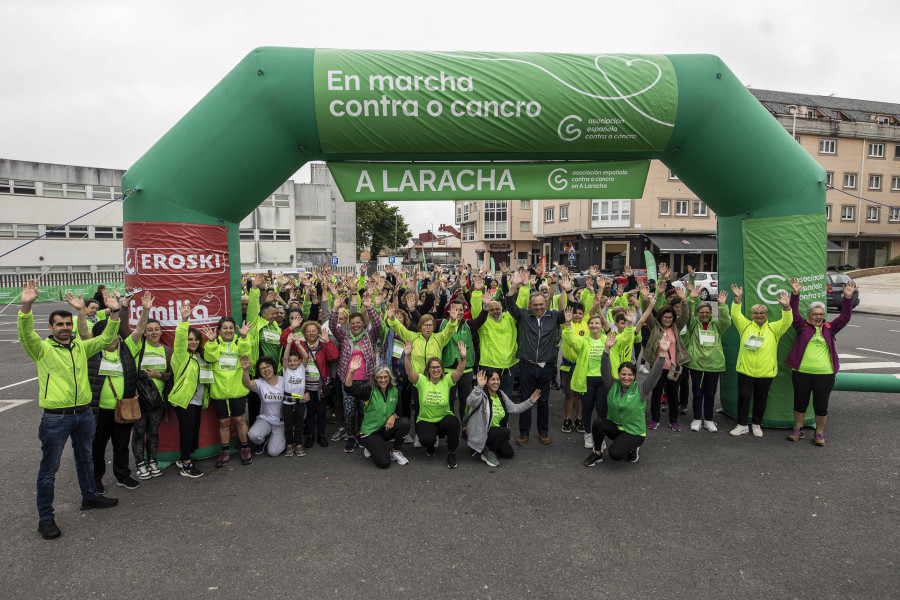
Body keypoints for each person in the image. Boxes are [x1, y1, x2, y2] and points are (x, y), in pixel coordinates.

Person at [19, 281, 120, 540]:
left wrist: (114, 312)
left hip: (84, 414)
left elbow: (108, 338)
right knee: (49, 469)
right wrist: (26, 306)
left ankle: (89, 497)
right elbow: (26, 335)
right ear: (50, 328)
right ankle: (46, 518)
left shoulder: (81, 347)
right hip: (56, 418)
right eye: (59, 325)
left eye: (67, 324)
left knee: (85, 459)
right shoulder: (41, 349)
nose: (64, 328)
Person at [87, 291, 152, 493]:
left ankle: (123, 475)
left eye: (114, 333)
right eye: (107, 334)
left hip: (122, 407)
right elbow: (82, 332)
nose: (113, 337)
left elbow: (140, 330)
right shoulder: (91, 351)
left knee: (121, 444)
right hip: (98, 410)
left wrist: (146, 310)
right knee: (97, 447)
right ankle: (95, 479)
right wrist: (81, 311)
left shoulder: (127, 349)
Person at [785, 277, 856, 446]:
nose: (818, 317)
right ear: (809, 315)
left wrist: (847, 298)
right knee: (800, 402)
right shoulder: (802, 326)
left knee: (821, 404)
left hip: (825, 374)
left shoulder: (830, 328)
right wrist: (795, 294)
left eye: (821, 314)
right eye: (815, 314)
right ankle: (798, 429)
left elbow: (845, 317)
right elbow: (793, 313)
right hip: (801, 372)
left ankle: (819, 433)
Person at [583, 332, 671, 466]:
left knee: (615, 454)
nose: (626, 377)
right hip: (617, 429)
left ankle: (633, 448)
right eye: (623, 374)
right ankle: (597, 453)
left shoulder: (641, 388)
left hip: (634, 432)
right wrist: (606, 350)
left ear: (634, 376)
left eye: (630, 375)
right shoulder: (612, 384)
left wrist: (663, 353)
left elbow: (655, 374)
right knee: (598, 422)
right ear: (618, 374)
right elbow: (604, 369)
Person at [505, 269, 571, 446]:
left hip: (546, 366)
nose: (539, 307)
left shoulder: (554, 316)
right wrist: (514, 286)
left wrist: (567, 291)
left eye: (541, 304)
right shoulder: (524, 316)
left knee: (543, 401)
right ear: (530, 305)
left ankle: (543, 432)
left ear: (545, 304)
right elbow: (510, 304)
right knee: (526, 400)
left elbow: (571, 311)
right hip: (526, 365)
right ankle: (524, 433)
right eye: (535, 305)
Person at [562, 305, 642, 448]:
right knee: (586, 408)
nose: (594, 325)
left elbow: (626, 339)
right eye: (591, 323)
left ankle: (600, 436)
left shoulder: (610, 339)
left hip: (606, 380)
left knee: (602, 411)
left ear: (601, 325)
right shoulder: (583, 341)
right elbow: (570, 340)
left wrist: (630, 324)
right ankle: (588, 434)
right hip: (587, 380)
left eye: (597, 323)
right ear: (588, 326)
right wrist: (568, 324)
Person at [120, 293, 172, 480]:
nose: (153, 332)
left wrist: (161, 375)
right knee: (139, 431)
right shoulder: (137, 345)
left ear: (161, 331)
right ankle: (140, 464)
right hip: (139, 398)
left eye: (156, 329)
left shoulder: (166, 351)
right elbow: (122, 327)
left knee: (153, 432)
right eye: (149, 330)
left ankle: (152, 461)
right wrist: (129, 306)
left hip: (157, 400)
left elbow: (171, 375)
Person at [729, 284, 793, 437]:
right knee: (744, 397)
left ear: (767, 314)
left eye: (762, 313)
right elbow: (736, 314)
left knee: (761, 399)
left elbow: (787, 322)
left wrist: (786, 307)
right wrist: (737, 299)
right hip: (746, 370)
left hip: (766, 371)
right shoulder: (744, 326)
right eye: (755, 313)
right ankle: (742, 425)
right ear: (751, 315)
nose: (759, 315)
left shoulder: (774, 328)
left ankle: (757, 424)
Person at [329, 292, 383, 453]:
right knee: (350, 410)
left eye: (358, 322)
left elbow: (378, 325)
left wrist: (369, 307)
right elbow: (332, 326)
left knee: (363, 409)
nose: (355, 325)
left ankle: (362, 434)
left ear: (362, 324)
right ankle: (351, 435)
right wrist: (335, 308)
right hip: (348, 381)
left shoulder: (369, 336)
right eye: (352, 323)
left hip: (366, 380)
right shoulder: (344, 336)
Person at [404, 339, 468, 468]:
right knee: (426, 440)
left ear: (442, 369)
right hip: (425, 419)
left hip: (444, 418)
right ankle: (431, 443)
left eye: (438, 367)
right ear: (428, 369)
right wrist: (407, 356)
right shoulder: (421, 380)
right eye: (433, 367)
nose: (435, 369)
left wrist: (462, 358)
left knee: (454, 422)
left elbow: (459, 372)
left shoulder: (447, 380)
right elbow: (409, 372)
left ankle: (451, 452)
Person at [203, 316, 254, 466]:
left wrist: (244, 337)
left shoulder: (240, 342)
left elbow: (245, 355)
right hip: (219, 391)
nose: (228, 330)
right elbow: (210, 358)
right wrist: (211, 342)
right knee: (224, 422)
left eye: (231, 327)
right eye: (224, 328)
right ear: (219, 331)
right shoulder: (214, 344)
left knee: (239, 420)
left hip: (237, 389)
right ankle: (225, 451)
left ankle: (245, 448)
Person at [639, 282, 690, 432]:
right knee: (656, 394)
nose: (668, 319)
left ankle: (673, 421)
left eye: (670, 317)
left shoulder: (676, 327)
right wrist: (645, 299)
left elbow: (685, 316)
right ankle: (655, 419)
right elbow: (645, 313)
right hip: (657, 368)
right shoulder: (655, 326)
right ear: (660, 317)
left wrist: (684, 301)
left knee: (673, 396)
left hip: (674, 367)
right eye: (665, 317)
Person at [168, 301, 211, 478]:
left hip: (197, 400)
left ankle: (183, 458)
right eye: (189, 339)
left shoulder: (200, 356)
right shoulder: (180, 356)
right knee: (187, 432)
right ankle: (186, 464)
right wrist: (184, 321)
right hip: (185, 400)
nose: (192, 342)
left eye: (195, 339)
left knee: (193, 432)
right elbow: (178, 342)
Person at [344, 356, 411, 468]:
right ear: (375, 379)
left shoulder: (394, 390)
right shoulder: (369, 391)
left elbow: (399, 410)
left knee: (405, 423)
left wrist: (393, 416)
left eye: (385, 377)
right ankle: (371, 446)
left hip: (385, 428)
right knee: (384, 463)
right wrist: (351, 371)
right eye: (380, 377)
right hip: (370, 433)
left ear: (389, 378)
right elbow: (349, 389)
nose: (383, 380)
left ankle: (394, 451)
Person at [465, 369, 539, 467]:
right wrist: (479, 387)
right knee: (505, 431)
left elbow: (514, 408)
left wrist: (530, 401)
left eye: (498, 379)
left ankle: (486, 447)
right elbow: (470, 402)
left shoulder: (500, 394)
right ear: (486, 382)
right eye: (493, 380)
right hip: (481, 432)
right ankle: (488, 451)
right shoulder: (481, 394)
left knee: (508, 453)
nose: (496, 382)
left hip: (495, 432)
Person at [683, 287, 731, 432]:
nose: (704, 315)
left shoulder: (717, 325)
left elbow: (726, 320)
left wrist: (722, 305)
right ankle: (697, 419)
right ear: (698, 314)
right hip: (697, 364)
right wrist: (691, 299)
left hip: (714, 365)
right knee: (697, 394)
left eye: (707, 312)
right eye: (702, 312)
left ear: (711, 314)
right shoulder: (693, 325)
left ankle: (709, 420)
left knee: (710, 395)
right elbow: (688, 316)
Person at [292, 320, 339, 449]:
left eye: (314, 331)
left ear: (318, 332)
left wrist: (327, 341)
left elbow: (334, 356)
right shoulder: (299, 344)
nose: (312, 333)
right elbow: (284, 342)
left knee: (321, 411)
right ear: (304, 334)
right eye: (309, 331)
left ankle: (321, 435)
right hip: (305, 386)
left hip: (320, 387)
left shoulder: (323, 345)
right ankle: (310, 436)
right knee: (310, 412)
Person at [241, 355, 287, 456]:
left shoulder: (283, 381)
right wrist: (245, 370)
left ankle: (278, 436)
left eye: (268, 367)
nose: (266, 370)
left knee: (273, 452)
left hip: (280, 423)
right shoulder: (260, 383)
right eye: (262, 369)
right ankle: (263, 439)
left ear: (273, 367)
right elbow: (248, 384)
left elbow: (296, 390)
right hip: (265, 419)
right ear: (259, 372)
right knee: (253, 435)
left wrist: (306, 394)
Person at [281, 333, 310, 456]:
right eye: (290, 361)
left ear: (299, 362)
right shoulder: (286, 369)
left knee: (299, 425)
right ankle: (289, 444)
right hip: (287, 403)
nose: (292, 363)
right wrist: (288, 344)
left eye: (295, 361)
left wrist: (298, 344)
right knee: (288, 425)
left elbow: (306, 356)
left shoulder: (301, 369)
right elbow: (285, 358)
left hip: (300, 403)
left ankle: (298, 444)